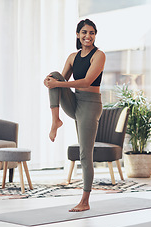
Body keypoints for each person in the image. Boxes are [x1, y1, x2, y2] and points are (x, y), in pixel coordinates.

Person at [43, 19, 105, 212]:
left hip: (90, 105)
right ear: (78, 35)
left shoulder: (99, 55)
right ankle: (56, 121)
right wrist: (51, 82)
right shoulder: (72, 57)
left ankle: (85, 201)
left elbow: (86, 82)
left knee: (85, 154)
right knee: (54, 75)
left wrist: (57, 85)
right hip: (75, 102)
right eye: (84, 32)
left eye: (92, 33)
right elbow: (61, 81)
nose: (88, 36)